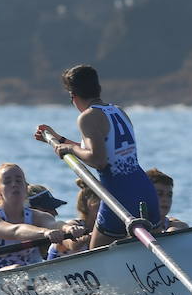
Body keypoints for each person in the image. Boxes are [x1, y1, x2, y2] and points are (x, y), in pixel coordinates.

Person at [34, 63, 160, 249]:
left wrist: (69, 150)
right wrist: (61, 140)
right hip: (146, 191)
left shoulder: (87, 117)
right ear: (98, 88)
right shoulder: (118, 111)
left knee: (96, 253)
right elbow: (104, 150)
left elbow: (98, 160)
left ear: (73, 96)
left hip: (119, 196)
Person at [0, 163, 83, 273]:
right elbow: (15, 231)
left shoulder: (39, 216)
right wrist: (45, 232)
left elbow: (54, 224)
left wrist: (68, 228)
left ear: (26, 188)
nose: (14, 184)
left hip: (29, 278)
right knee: (16, 269)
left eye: (18, 180)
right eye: (7, 182)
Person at [48, 184, 99, 259]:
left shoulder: (105, 227)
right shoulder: (72, 225)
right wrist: (88, 237)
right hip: (56, 269)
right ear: (90, 204)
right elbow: (73, 245)